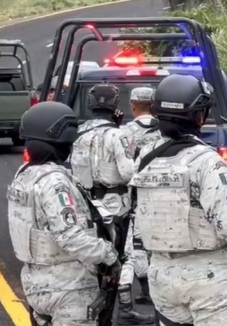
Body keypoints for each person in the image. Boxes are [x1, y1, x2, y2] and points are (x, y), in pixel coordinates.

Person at [129, 74, 227, 326]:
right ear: (200, 116)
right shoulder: (206, 161)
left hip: (162, 277)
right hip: (209, 280)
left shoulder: (145, 158)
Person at [7, 101, 121, 325]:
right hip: (68, 286)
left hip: (35, 280)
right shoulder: (55, 181)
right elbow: (70, 236)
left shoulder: (24, 174)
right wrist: (109, 256)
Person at [69, 82, 154, 324]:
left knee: (90, 255)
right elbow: (128, 173)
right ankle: (123, 309)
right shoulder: (118, 135)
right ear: (116, 106)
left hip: (86, 202)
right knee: (122, 255)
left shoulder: (79, 132)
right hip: (115, 203)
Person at [119, 86, 162, 305]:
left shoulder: (125, 133)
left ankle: (144, 289)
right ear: (153, 106)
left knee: (134, 246)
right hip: (164, 195)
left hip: (136, 198)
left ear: (133, 106)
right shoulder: (165, 131)